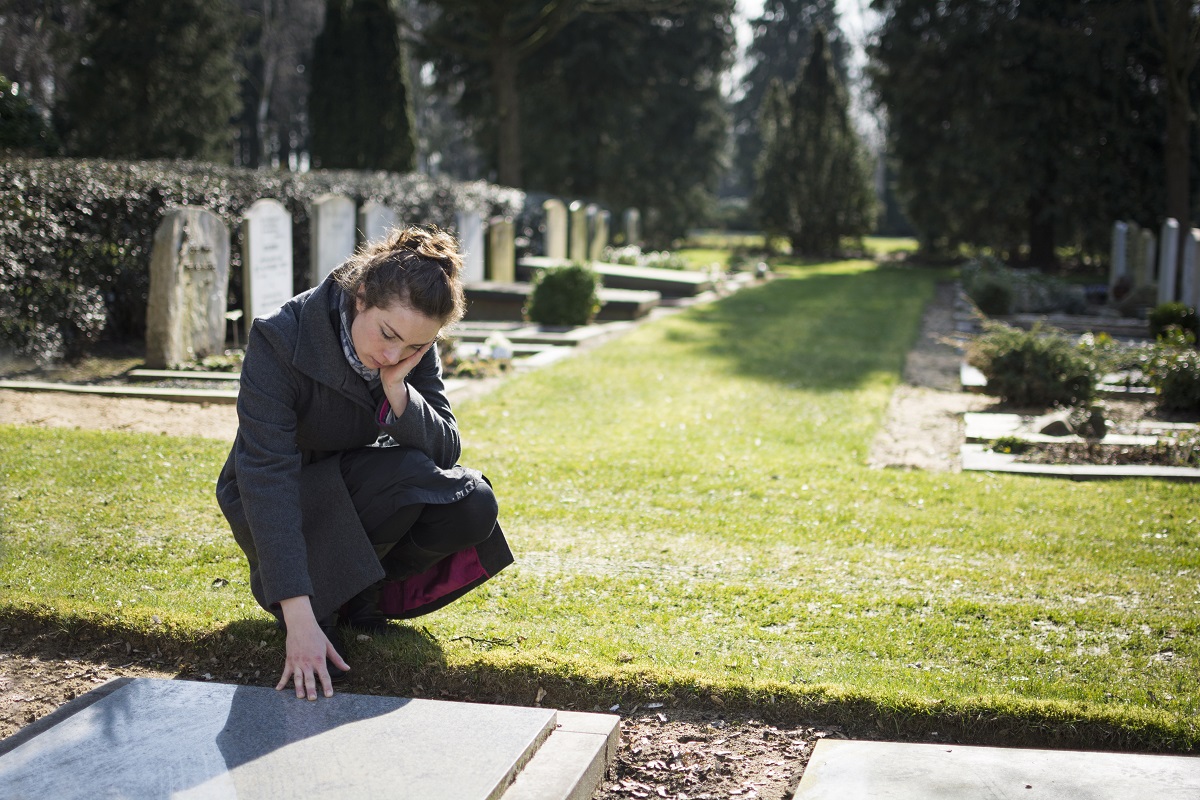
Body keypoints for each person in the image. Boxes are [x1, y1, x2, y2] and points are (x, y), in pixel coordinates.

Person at [216, 225, 512, 702]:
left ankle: (360, 597)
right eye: (388, 335)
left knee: (472, 502)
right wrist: (299, 618)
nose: (394, 354)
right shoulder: (279, 338)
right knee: (404, 476)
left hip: (364, 485)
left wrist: (398, 389)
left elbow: (445, 448)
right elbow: (267, 479)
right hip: (283, 498)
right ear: (359, 297)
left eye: (415, 347)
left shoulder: (411, 340)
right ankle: (322, 607)